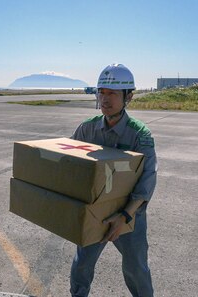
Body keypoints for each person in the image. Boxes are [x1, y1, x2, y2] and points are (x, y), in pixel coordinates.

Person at [69, 64, 157, 297]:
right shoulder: (86, 129)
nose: (105, 99)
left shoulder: (140, 134)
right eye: (102, 92)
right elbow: (69, 163)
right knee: (82, 265)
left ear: (129, 96)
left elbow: (147, 181)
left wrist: (125, 215)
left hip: (128, 216)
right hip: (95, 212)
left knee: (136, 268)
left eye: (112, 94)